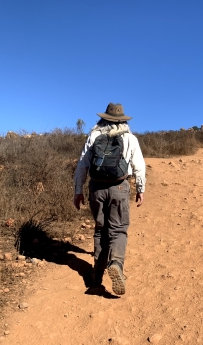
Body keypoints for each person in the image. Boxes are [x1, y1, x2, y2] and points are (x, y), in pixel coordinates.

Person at [73, 103, 146, 295]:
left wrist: (78, 190)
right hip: (119, 187)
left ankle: (97, 276)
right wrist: (140, 188)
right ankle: (117, 264)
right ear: (123, 120)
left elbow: (82, 165)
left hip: (96, 188)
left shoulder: (94, 136)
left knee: (100, 230)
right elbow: (139, 165)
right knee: (118, 229)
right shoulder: (130, 138)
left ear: (103, 118)